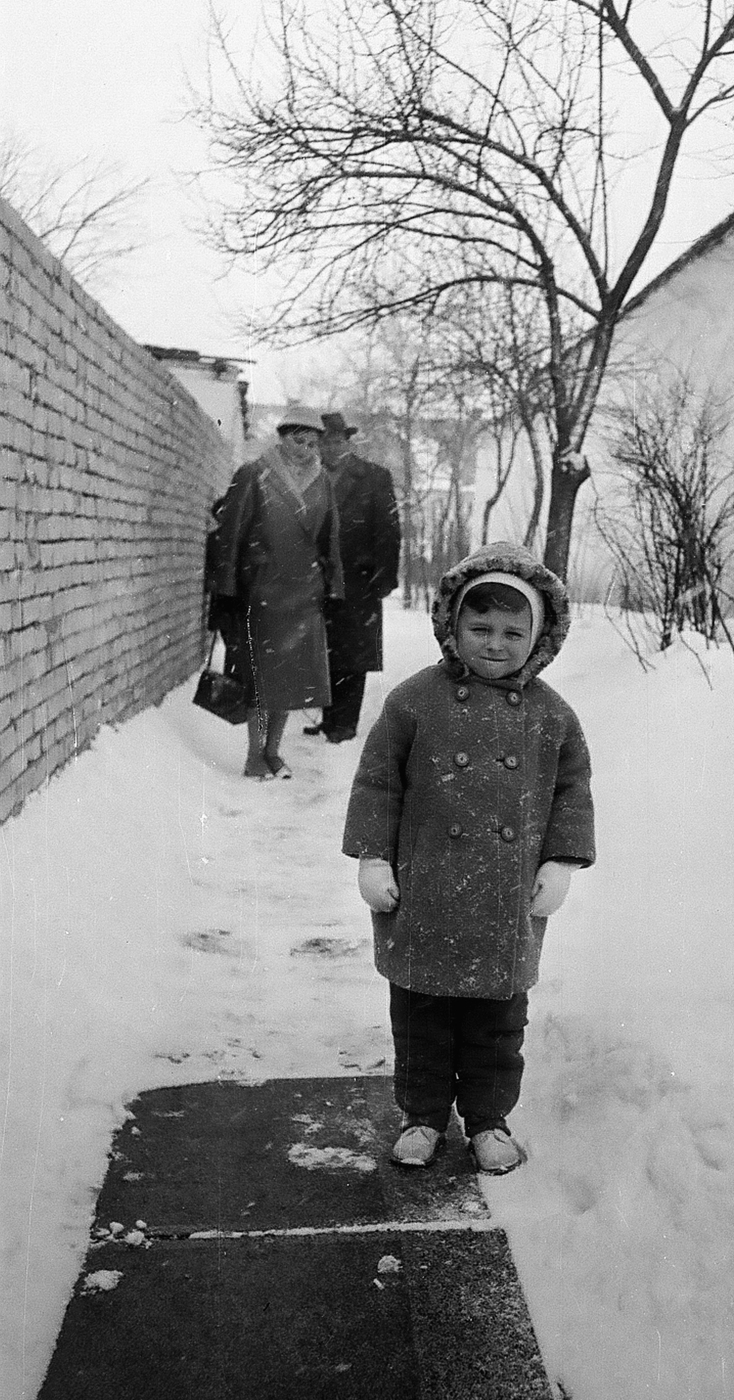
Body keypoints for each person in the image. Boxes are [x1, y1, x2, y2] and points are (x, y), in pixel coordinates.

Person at [341, 542, 595, 1175]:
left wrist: (560, 862)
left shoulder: (551, 715)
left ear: (540, 637)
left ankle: (488, 1120)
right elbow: (378, 784)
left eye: (514, 631)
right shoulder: (414, 701)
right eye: (480, 627)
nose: (495, 643)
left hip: (506, 900)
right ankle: (423, 1116)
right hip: (425, 890)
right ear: (451, 625)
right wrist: (373, 859)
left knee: (495, 1022)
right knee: (422, 1015)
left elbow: (572, 791)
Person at [209, 405, 344, 780]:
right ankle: (254, 757)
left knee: (291, 679)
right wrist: (228, 588)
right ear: (282, 438)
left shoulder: (322, 482)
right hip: (262, 590)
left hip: (304, 593)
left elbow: (330, 537)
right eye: (299, 441)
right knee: (262, 677)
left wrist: (333, 586)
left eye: (314, 443)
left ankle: (273, 752)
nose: (307, 450)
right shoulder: (254, 474)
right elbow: (230, 533)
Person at [303, 410, 401, 743]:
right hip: (317, 578)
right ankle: (328, 718)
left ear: (347, 441)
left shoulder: (373, 477)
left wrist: (384, 577)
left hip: (359, 578)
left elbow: (388, 529)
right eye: (324, 442)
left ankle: (345, 724)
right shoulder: (308, 476)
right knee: (324, 649)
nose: (330, 447)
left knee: (352, 653)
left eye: (336, 440)